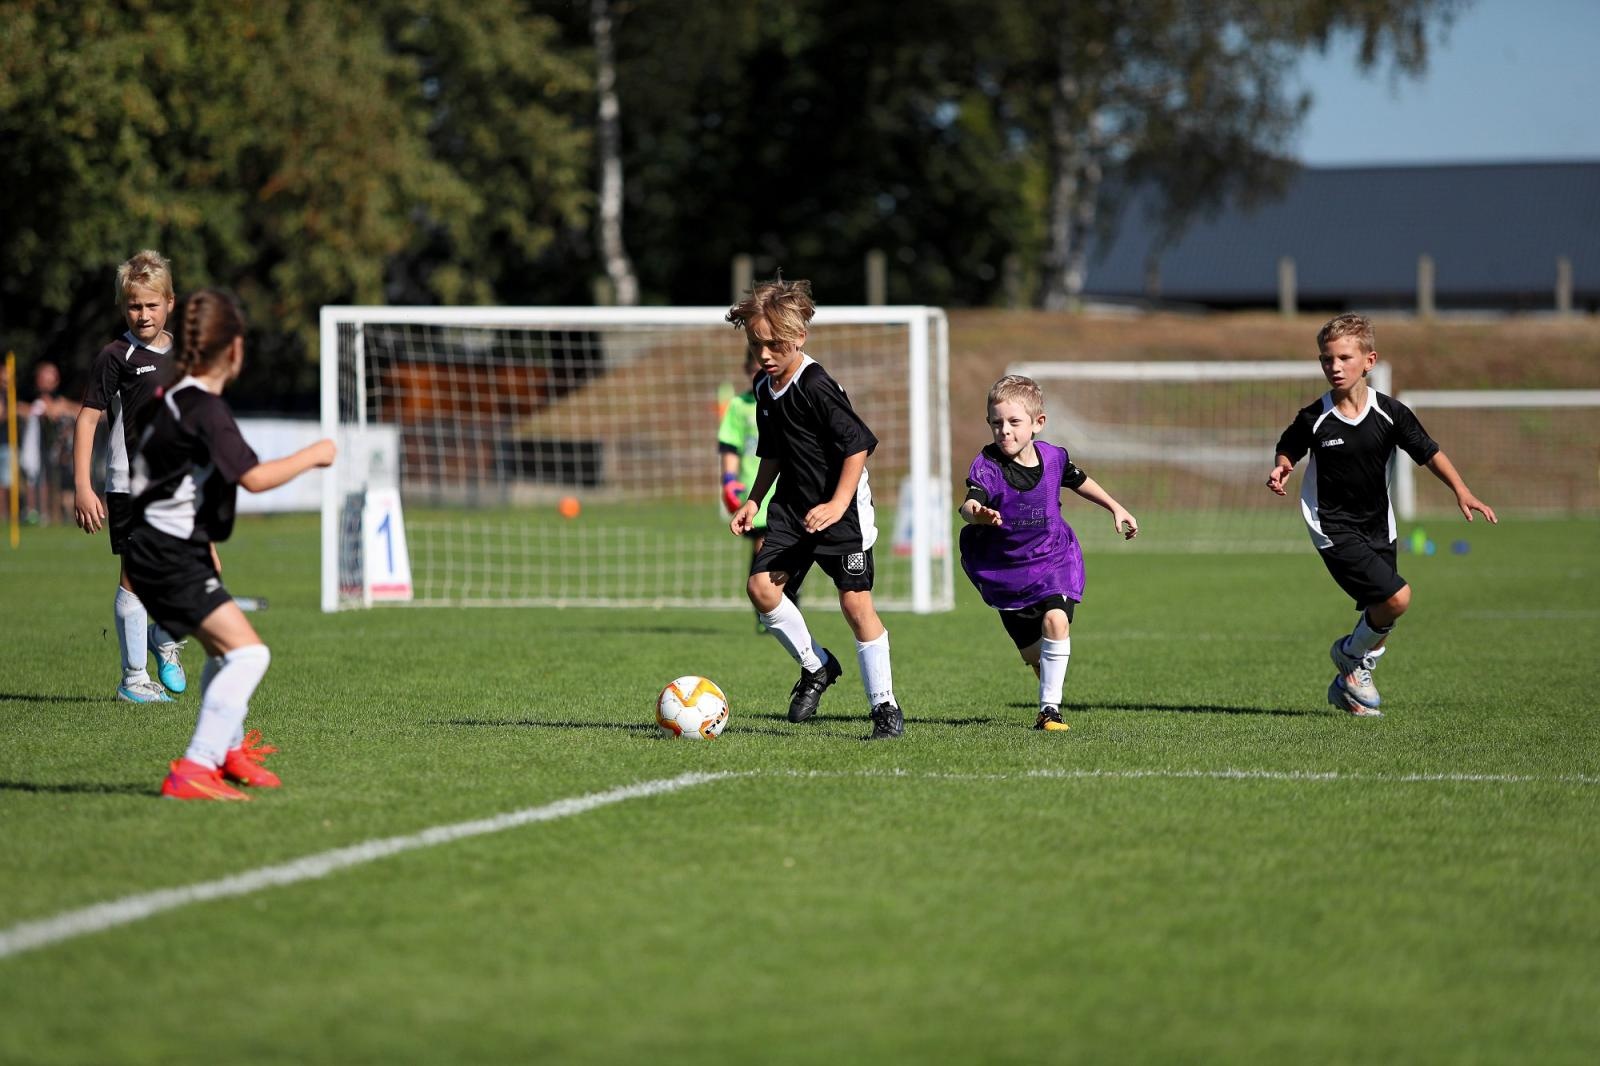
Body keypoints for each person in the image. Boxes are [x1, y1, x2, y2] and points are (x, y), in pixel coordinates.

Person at [125, 288, 335, 800]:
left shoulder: (170, 398)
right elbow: (254, 478)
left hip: (160, 548)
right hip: (168, 554)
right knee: (249, 656)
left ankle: (229, 750)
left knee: (223, 653)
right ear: (235, 349)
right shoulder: (205, 408)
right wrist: (316, 454)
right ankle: (197, 765)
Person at [1267, 312, 1496, 717]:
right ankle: (1350, 656)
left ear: (1368, 361)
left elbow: (1428, 451)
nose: (1335, 366)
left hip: (1378, 524)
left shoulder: (1390, 413)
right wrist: (1282, 465)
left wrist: (1461, 490)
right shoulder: (1314, 417)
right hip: (1331, 525)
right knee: (1398, 597)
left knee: (1383, 608)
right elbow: (1289, 445)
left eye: (1344, 357)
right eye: (1327, 359)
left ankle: (1348, 685)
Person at [726, 277, 904, 740]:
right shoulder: (763, 387)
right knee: (762, 589)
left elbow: (857, 446)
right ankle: (817, 665)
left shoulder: (816, 384)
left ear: (800, 337)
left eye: (775, 344)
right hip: (791, 508)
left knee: (855, 605)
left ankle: (884, 707)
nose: (765, 354)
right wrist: (753, 499)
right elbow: (773, 452)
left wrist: (837, 503)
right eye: (756, 344)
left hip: (842, 512)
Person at [958, 375, 1139, 731]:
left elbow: (1079, 481)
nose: (1004, 431)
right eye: (996, 423)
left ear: (1037, 423)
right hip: (1007, 571)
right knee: (1034, 656)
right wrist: (977, 514)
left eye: (1014, 422)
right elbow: (969, 504)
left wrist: (1116, 507)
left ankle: (1049, 711)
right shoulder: (987, 465)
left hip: (1055, 558)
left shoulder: (1054, 457)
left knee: (1057, 620)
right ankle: (1048, 682)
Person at [73, 251, 190, 702]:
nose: (143, 315)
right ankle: (134, 680)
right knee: (136, 575)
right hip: (130, 484)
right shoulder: (115, 356)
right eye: (134, 306)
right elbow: (87, 420)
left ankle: (162, 637)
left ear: (170, 303)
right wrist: (83, 486)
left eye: (151, 305)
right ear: (124, 307)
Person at [717, 347, 796, 631]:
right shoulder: (740, 405)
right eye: (755, 370)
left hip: (790, 489)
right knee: (764, 546)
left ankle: (784, 605)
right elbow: (730, 446)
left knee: (788, 552)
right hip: (757, 492)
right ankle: (768, 610)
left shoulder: (786, 399)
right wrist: (729, 480)